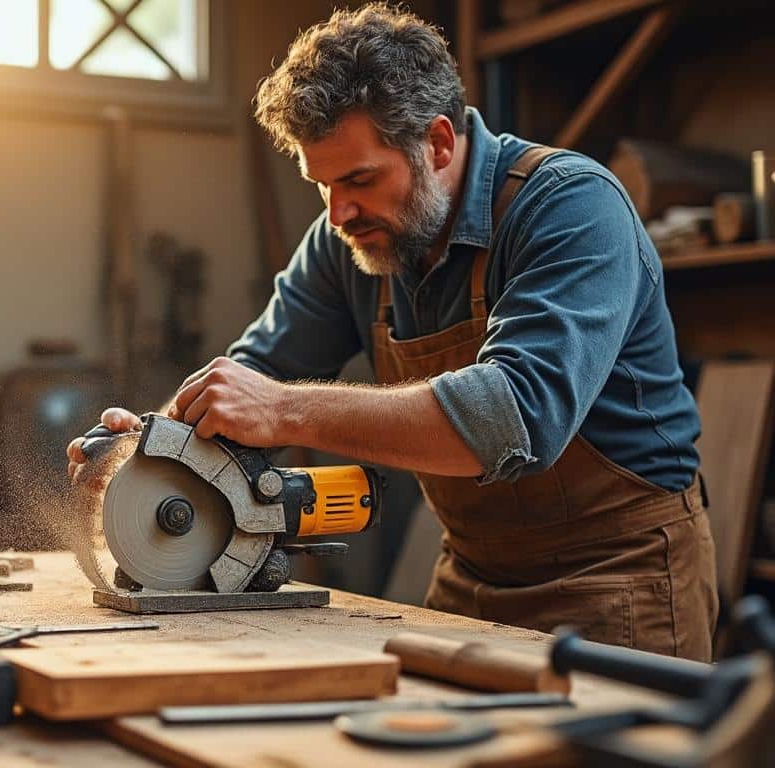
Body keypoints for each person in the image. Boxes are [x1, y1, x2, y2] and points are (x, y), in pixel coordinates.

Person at [66, 3, 718, 661]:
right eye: (322, 185)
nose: (338, 213)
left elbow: (513, 418)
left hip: (615, 583)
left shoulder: (571, 207)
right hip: (470, 575)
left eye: (359, 179)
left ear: (438, 144)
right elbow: (250, 383)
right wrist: (154, 455)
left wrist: (286, 411)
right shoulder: (347, 239)